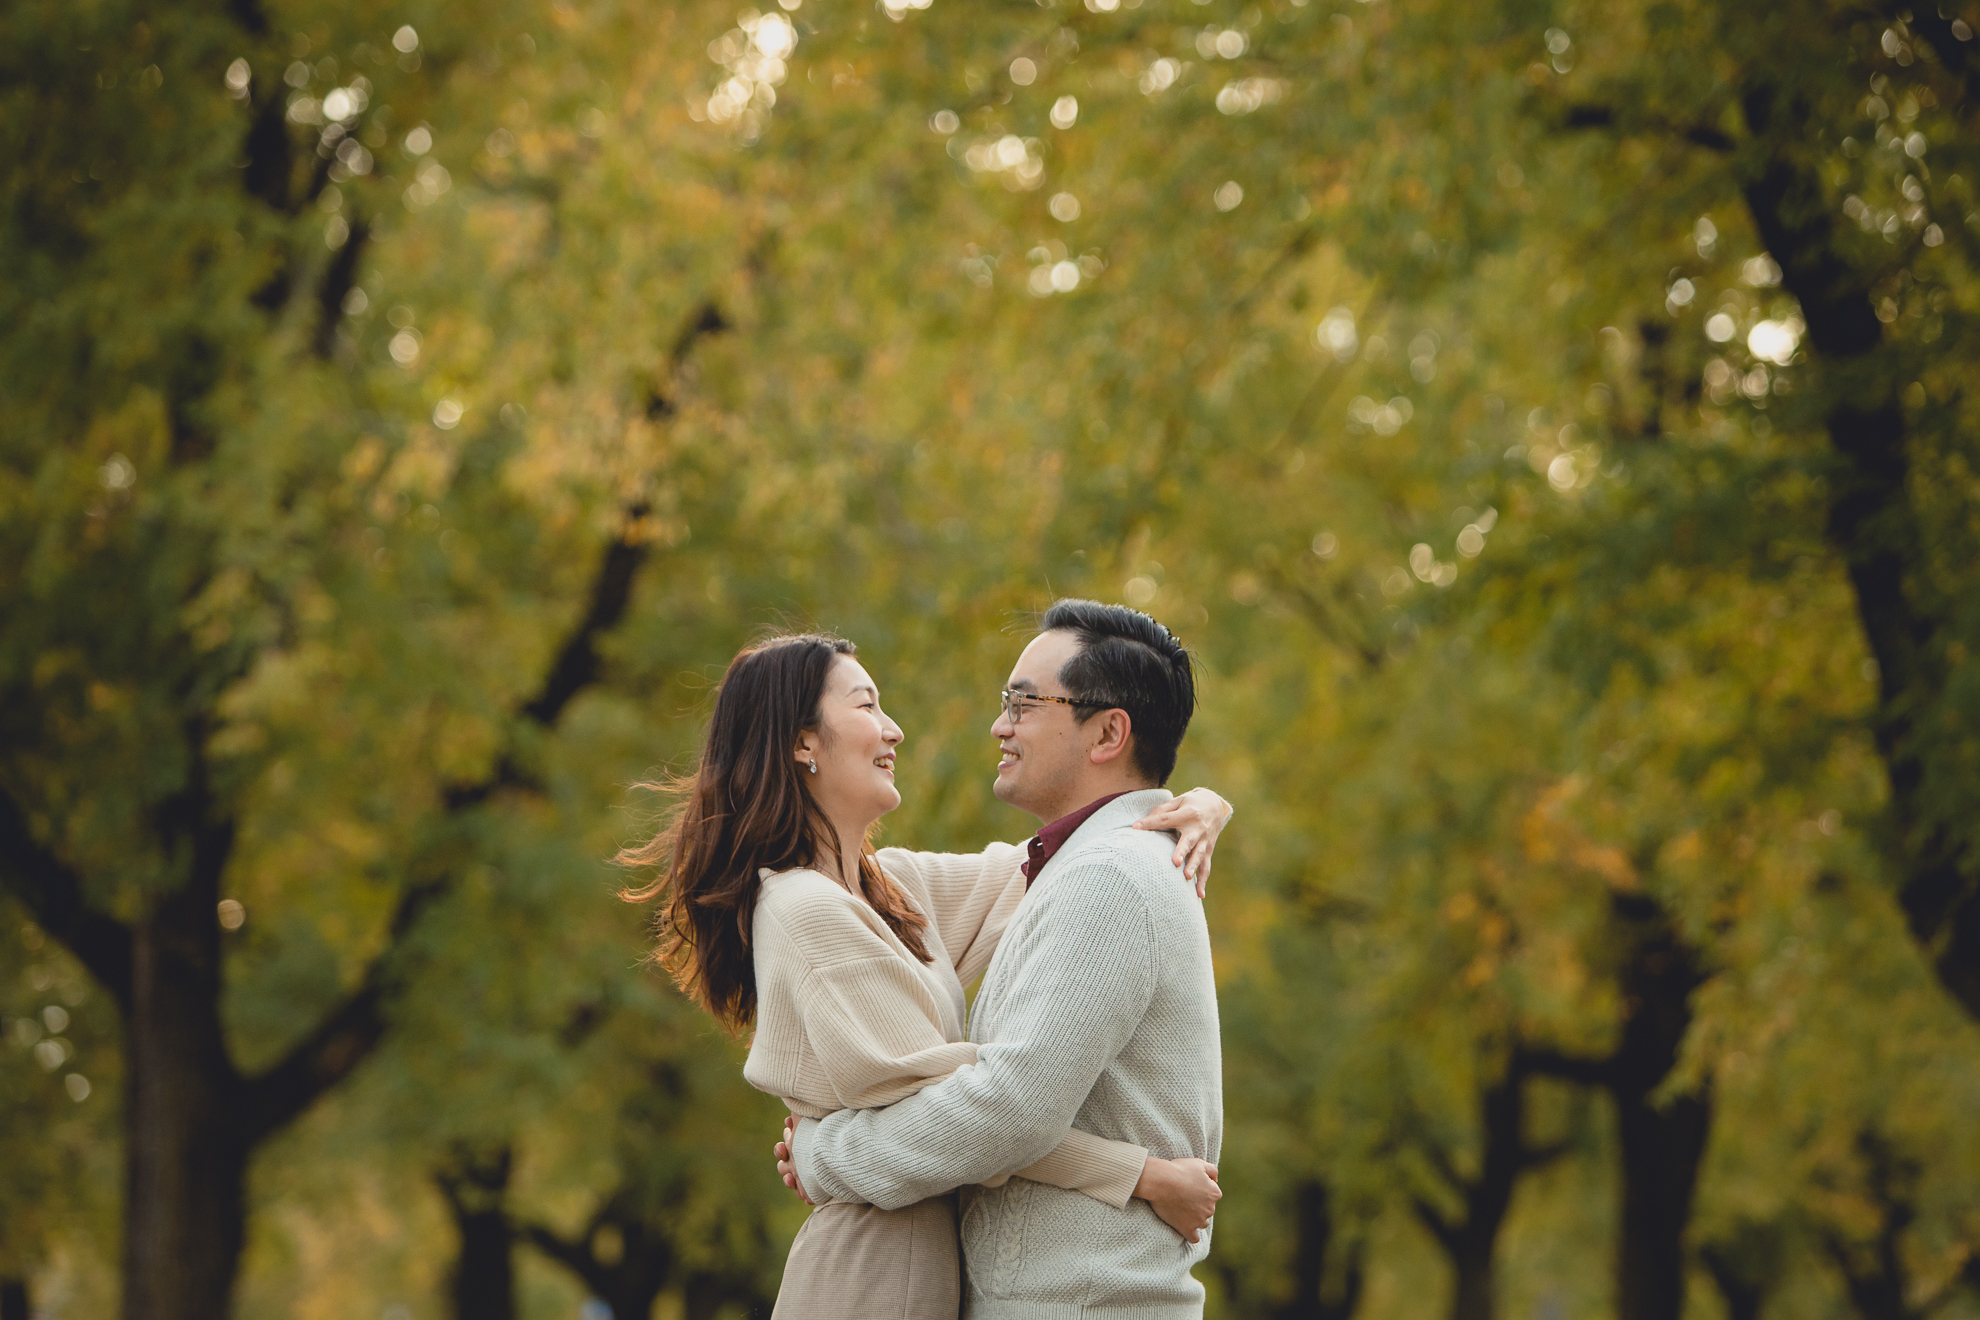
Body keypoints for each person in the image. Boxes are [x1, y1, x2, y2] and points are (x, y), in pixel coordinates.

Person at [617, 628, 1232, 1320]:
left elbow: (1054, 863)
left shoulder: (891, 890)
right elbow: (994, 1109)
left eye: (1023, 705)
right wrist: (1136, 1174)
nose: (894, 730)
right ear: (802, 743)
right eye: (867, 706)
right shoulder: (803, 909)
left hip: (928, 1250)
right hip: (876, 1261)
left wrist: (1190, 806)